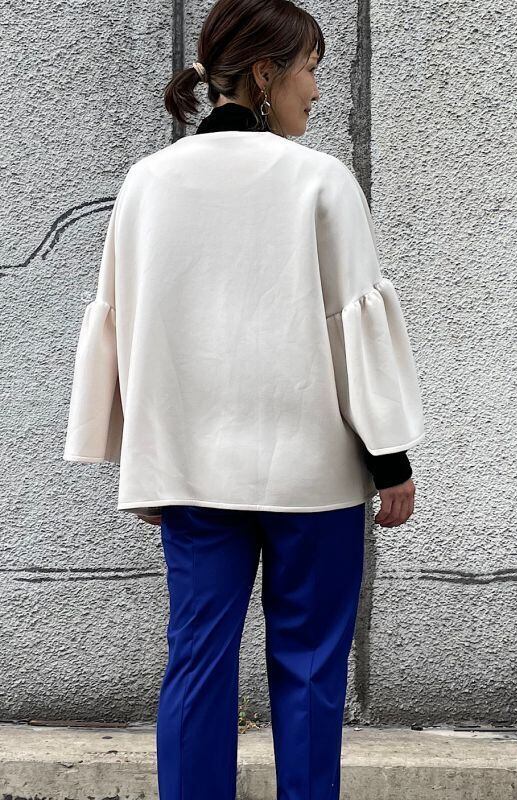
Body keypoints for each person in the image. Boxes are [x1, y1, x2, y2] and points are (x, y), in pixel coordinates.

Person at [62, 0, 425, 797]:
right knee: (311, 669)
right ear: (265, 73)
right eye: (310, 70)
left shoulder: (149, 182)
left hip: (191, 475)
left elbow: (131, 326)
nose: (317, 90)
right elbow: (354, 330)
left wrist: (143, 464)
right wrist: (391, 460)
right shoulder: (321, 180)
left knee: (196, 662)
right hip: (316, 480)